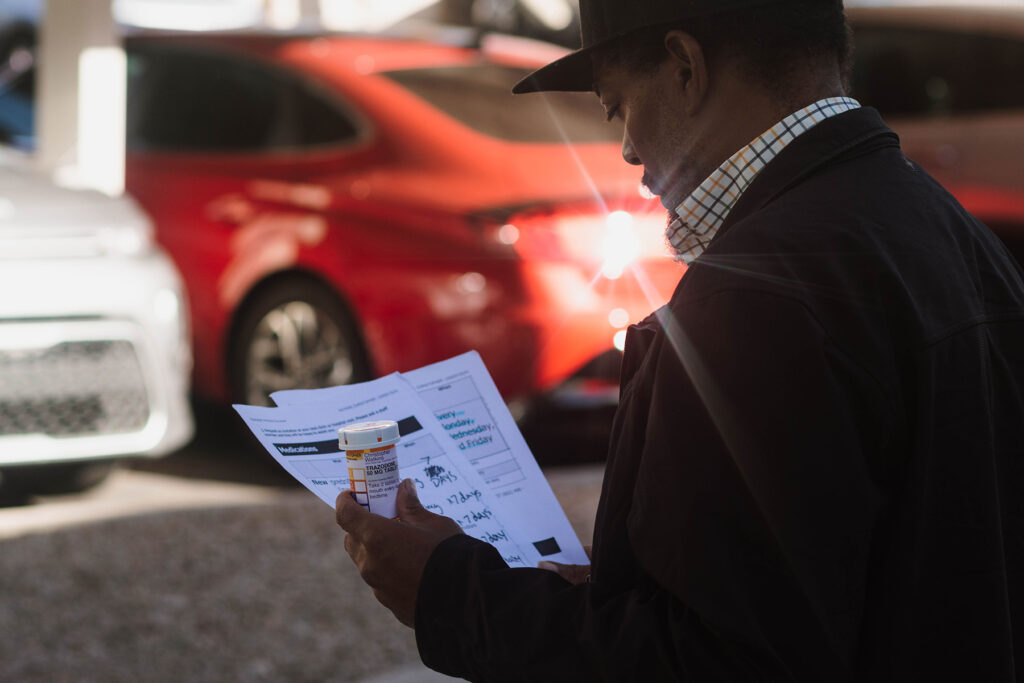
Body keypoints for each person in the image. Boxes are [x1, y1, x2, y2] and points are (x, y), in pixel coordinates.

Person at [336, 0, 1024, 679]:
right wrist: (630, 582)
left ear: (685, 66)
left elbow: (716, 659)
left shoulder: (756, 294)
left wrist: (452, 594)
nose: (630, 147)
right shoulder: (945, 229)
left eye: (617, 105)